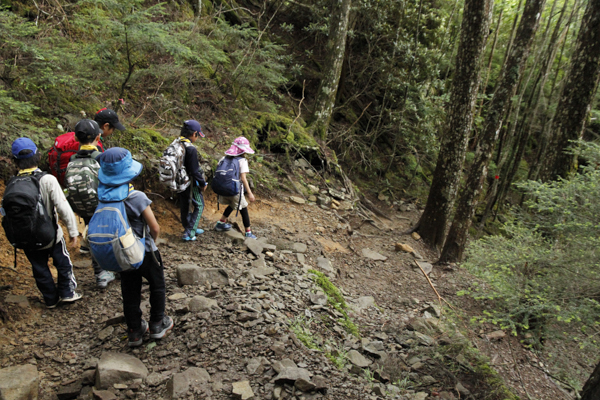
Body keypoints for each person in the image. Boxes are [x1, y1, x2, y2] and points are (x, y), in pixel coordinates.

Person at [96, 147, 173, 346]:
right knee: (157, 284)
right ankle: (157, 323)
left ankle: (134, 330)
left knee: (129, 291)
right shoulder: (136, 197)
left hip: (122, 254)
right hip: (145, 250)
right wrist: (151, 242)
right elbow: (154, 227)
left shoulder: (103, 197)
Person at [8, 138, 82, 308]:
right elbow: (63, 207)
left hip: (26, 238)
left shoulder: (12, 183)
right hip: (51, 235)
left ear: (15, 160)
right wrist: (72, 231)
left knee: (39, 268)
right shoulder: (47, 179)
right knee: (62, 262)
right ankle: (67, 292)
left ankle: (50, 298)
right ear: (38, 156)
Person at [67, 119, 116, 289]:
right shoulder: (100, 157)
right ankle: (106, 271)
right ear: (98, 137)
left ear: (76, 137)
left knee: (93, 236)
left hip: (82, 206)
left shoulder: (72, 158)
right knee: (107, 236)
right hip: (101, 204)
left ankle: (100, 272)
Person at [214, 137, 257, 239]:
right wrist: (250, 193)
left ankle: (221, 222)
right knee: (243, 208)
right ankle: (248, 232)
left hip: (222, 188)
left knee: (233, 204)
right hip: (235, 189)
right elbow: (243, 178)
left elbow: (217, 167)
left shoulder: (223, 158)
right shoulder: (242, 160)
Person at [178, 120, 207, 241]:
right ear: (194, 133)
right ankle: (190, 232)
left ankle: (188, 226)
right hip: (189, 182)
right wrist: (202, 183)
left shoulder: (177, 143)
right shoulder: (191, 149)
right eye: (197, 135)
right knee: (199, 205)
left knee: (185, 205)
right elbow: (195, 171)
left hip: (178, 180)